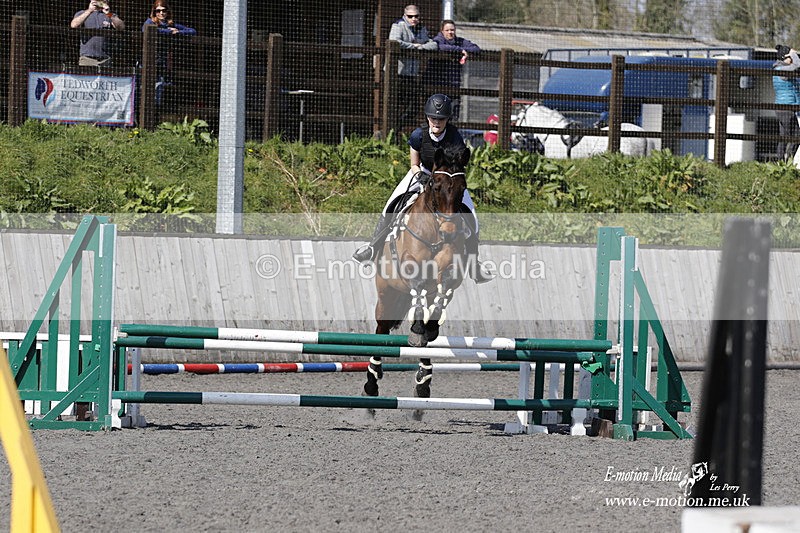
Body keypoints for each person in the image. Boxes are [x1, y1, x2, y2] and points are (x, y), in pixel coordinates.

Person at [353, 94, 494, 284]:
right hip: (422, 173)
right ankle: (373, 247)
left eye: (441, 119)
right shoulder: (418, 135)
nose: (437, 122)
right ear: (428, 117)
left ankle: (474, 263)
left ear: (447, 119)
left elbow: (458, 165)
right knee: (392, 203)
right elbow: (414, 164)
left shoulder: (454, 136)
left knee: (472, 216)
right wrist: (420, 175)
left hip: (447, 180)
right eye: (433, 118)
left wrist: (447, 181)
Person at [389, 5, 438, 128]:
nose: (414, 19)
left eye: (416, 16)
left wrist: (421, 47)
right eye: (410, 16)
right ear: (405, 16)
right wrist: (414, 46)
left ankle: (398, 126)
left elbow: (433, 45)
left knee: (414, 105)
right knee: (395, 103)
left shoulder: (421, 28)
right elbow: (394, 42)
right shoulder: (398, 25)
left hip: (411, 74)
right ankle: (392, 129)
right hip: (397, 73)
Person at [142, 0, 196, 105]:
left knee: (159, 90)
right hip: (149, 61)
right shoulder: (150, 22)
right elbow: (146, 29)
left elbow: (192, 31)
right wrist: (170, 32)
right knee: (147, 89)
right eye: (158, 11)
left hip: (163, 63)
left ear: (167, 12)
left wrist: (179, 32)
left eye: (164, 10)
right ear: (154, 12)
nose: (161, 13)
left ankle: (157, 114)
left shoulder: (170, 24)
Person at [430, 20, 480, 121]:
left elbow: (476, 49)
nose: (450, 32)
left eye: (452, 30)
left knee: (454, 113)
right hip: (437, 84)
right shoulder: (438, 39)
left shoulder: (460, 41)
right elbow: (440, 46)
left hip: (454, 83)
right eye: (447, 30)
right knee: (437, 114)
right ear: (442, 31)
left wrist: (463, 49)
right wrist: (460, 50)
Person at [70, 1, 125, 67]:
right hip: (87, 58)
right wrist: (89, 10)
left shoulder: (109, 14)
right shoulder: (82, 13)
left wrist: (109, 14)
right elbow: (73, 25)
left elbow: (121, 27)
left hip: (105, 59)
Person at [773, 44, 800, 160]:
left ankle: (782, 161)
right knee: (796, 136)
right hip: (786, 108)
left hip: (785, 108)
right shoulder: (783, 70)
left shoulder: (780, 69)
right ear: (785, 57)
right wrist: (794, 54)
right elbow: (797, 65)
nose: (792, 59)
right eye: (790, 57)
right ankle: (788, 159)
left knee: (784, 136)